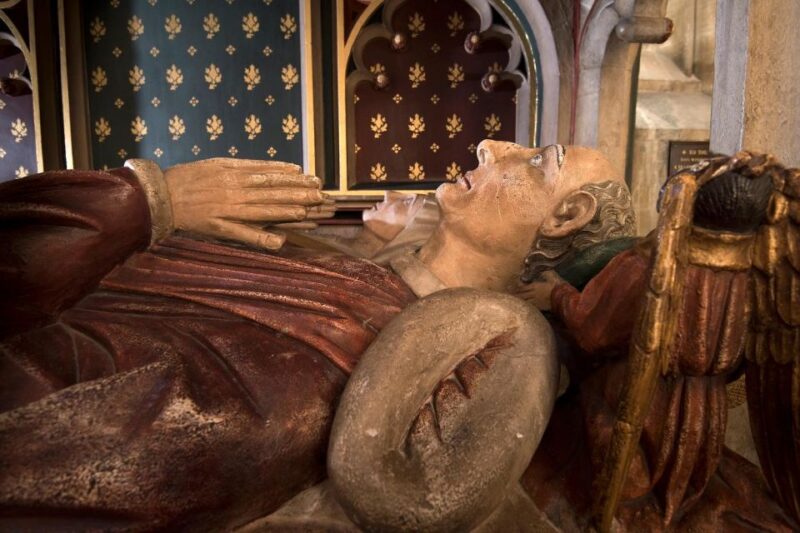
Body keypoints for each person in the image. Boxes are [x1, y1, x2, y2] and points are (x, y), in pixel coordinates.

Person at [0, 141, 635, 530]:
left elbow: (403, 496)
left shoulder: (472, 340)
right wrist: (152, 206)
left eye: (539, 160)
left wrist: (145, 202)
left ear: (567, 218)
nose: (492, 145)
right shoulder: (346, 279)